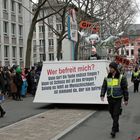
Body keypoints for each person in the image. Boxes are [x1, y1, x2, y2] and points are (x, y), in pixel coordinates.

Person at [100, 62, 129, 138]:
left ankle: (113, 130)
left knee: (116, 114)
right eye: (110, 68)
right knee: (111, 112)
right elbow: (104, 86)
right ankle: (117, 125)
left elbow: (125, 89)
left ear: (115, 69)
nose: (110, 69)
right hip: (110, 98)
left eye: (111, 68)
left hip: (118, 98)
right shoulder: (107, 77)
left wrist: (126, 99)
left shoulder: (121, 77)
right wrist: (102, 95)